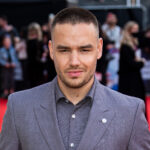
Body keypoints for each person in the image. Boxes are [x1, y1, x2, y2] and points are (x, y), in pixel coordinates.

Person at [0, 8, 150, 150]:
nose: (74, 61)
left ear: (99, 49)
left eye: (84, 50)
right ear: (51, 50)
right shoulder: (19, 108)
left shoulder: (130, 112)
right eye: (64, 50)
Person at [118, 21, 146, 100]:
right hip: (128, 80)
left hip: (135, 77)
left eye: (137, 29)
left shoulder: (135, 43)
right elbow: (130, 63)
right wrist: (141, 62)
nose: (137, 31)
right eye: (134, 29)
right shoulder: (125, 46)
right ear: (129, 30)